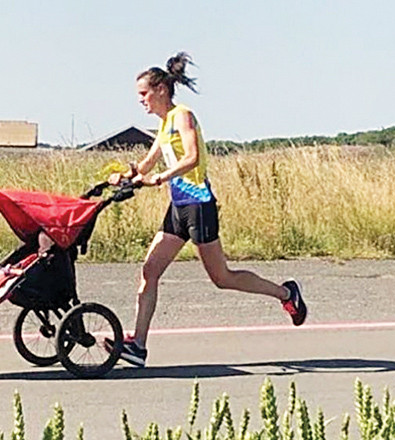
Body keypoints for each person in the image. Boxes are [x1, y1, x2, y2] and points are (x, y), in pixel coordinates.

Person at [108, 52, 307, 368]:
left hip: (199, 205)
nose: (140, 101)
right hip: (178, 208)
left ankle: (286, 294)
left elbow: (192, 157)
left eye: (143, 94)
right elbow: (145, 165)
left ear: (161, 89)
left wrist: (160, 177)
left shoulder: (182, 116)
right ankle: (138, 346)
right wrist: (124, 176)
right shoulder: (162, 126)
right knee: (149, 271)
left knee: (221, 277)